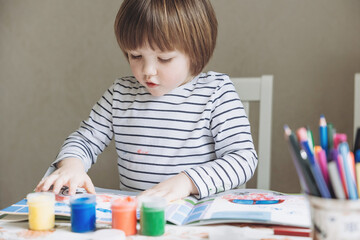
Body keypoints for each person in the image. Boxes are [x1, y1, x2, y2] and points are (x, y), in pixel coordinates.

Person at [36, 0, 258, 202]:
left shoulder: (216, 91)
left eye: (164, 58)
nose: (148, 71)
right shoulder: (120, 93)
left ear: (196, 52)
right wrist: (72, 165)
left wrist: (187, 182)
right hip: (137, 220)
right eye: (135, 56)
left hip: (193, 219)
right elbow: (85, 139)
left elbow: (243, 158)